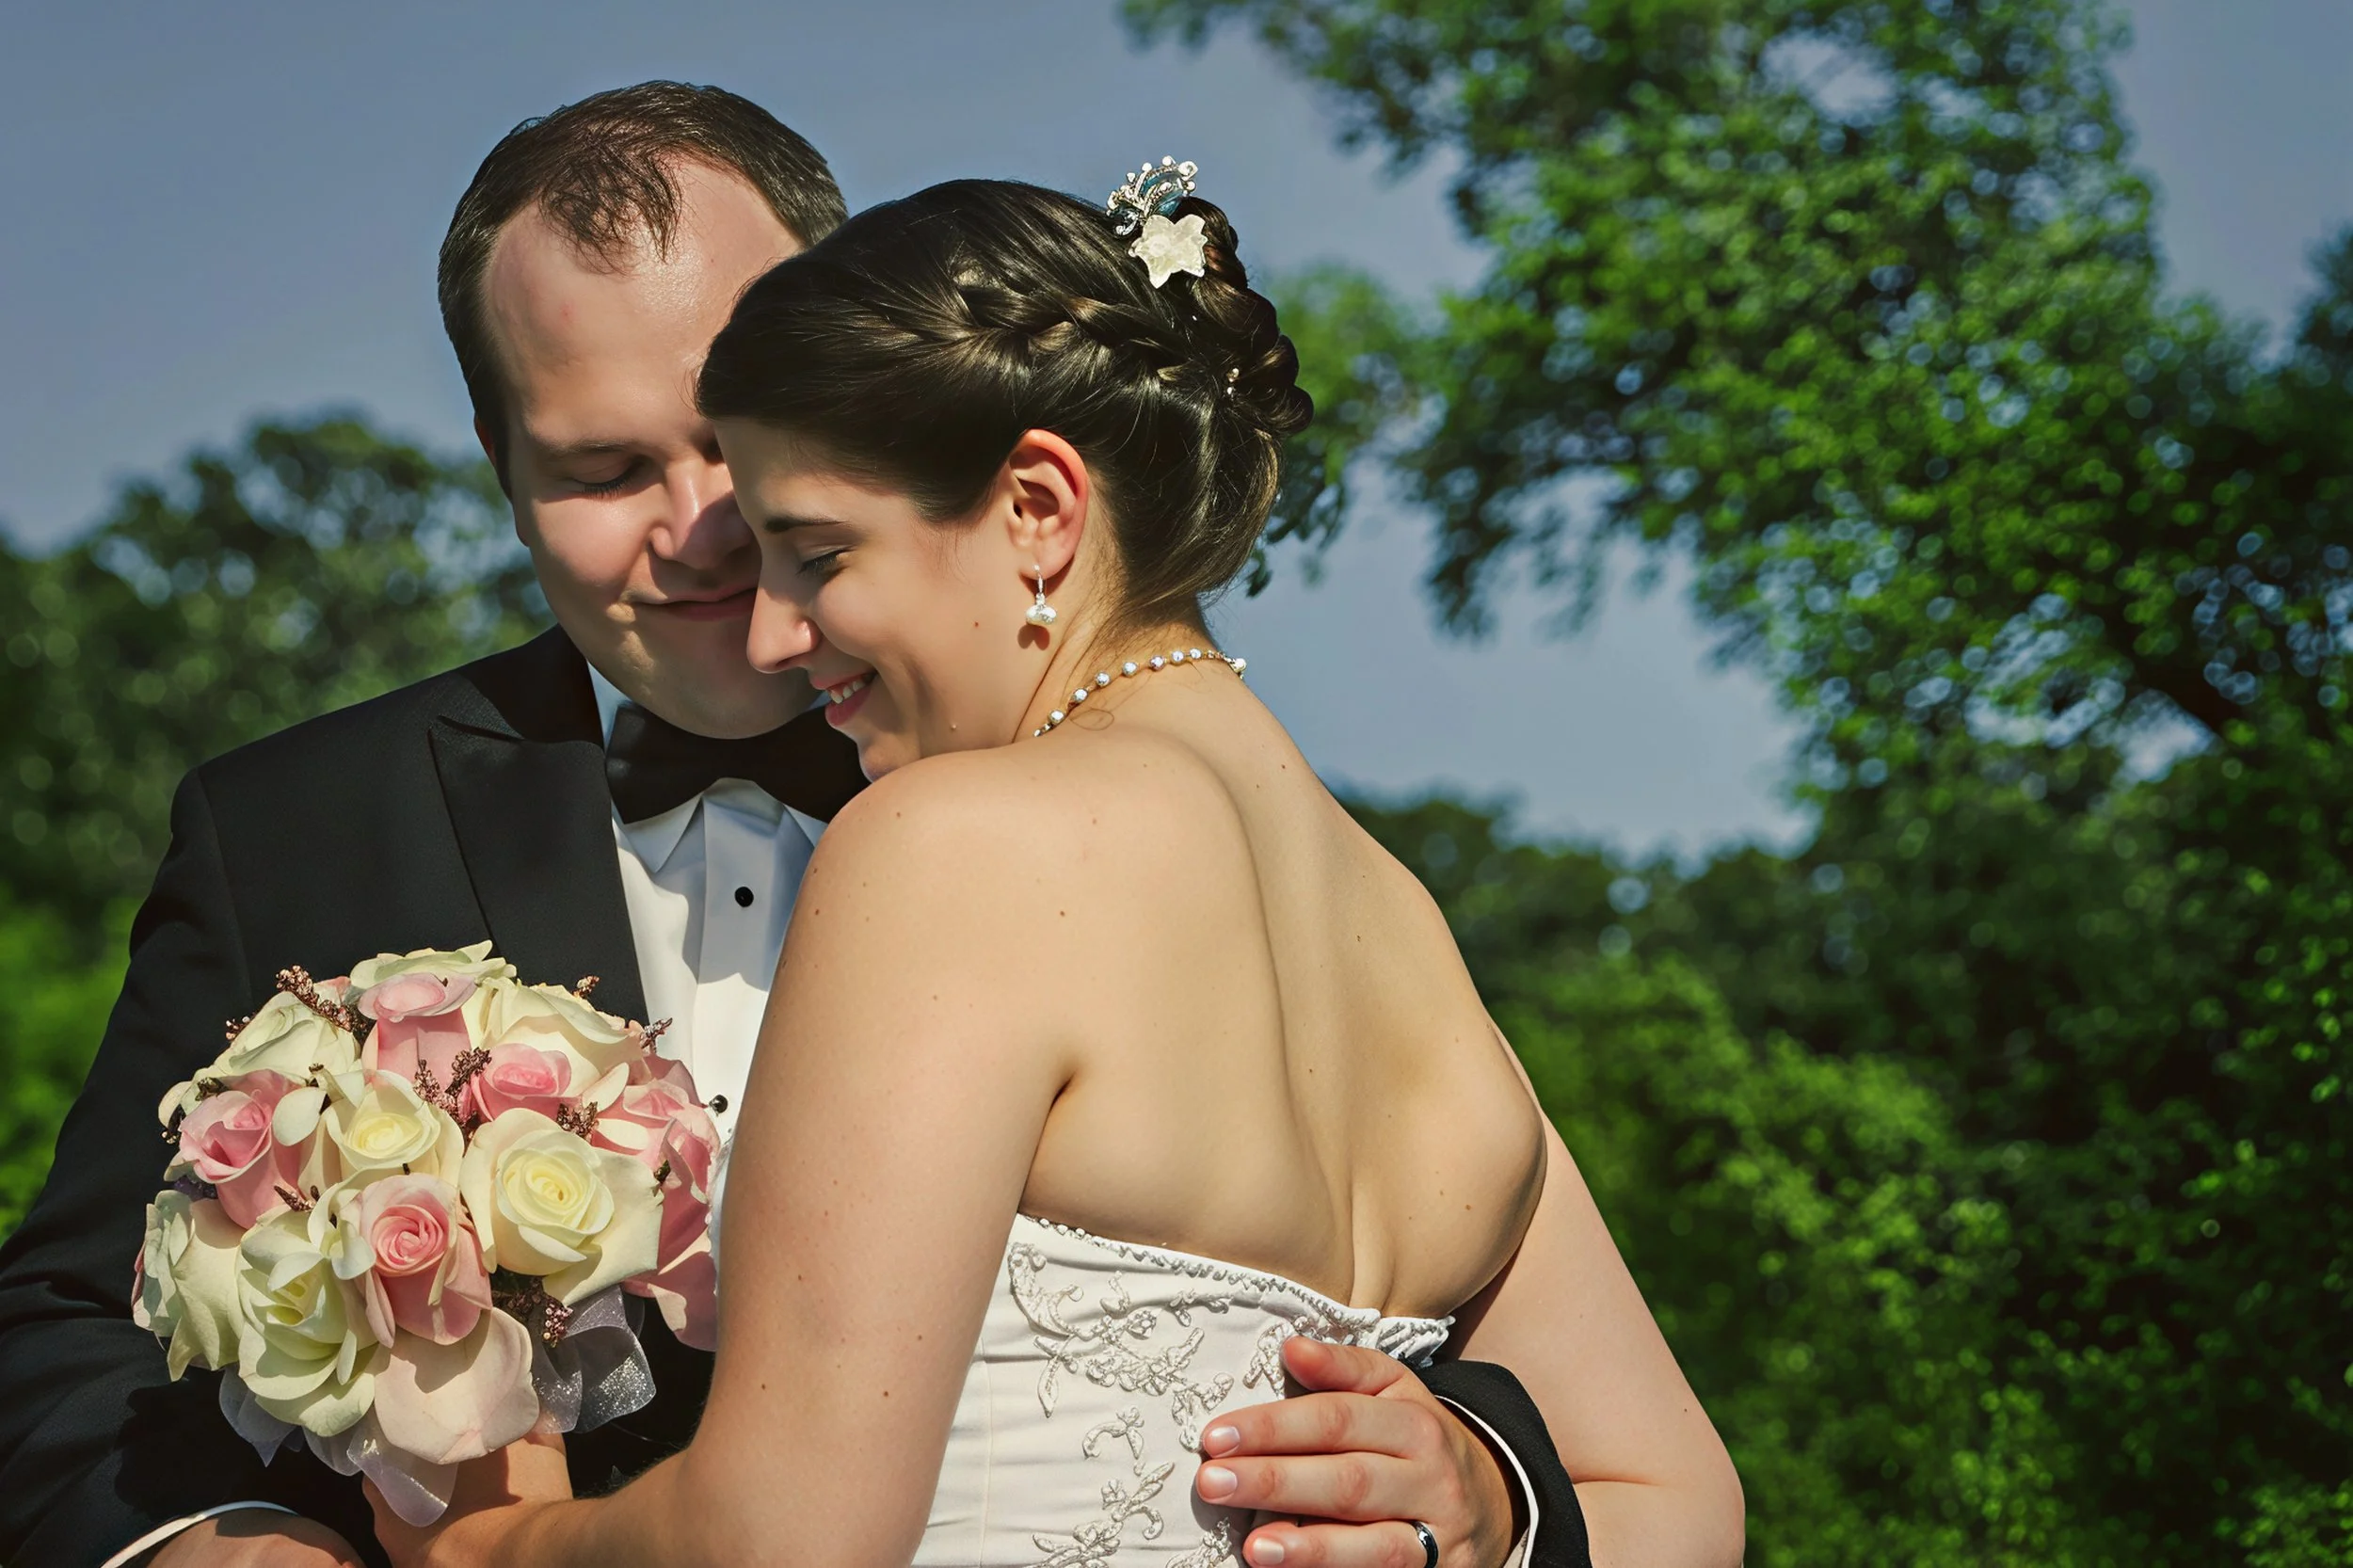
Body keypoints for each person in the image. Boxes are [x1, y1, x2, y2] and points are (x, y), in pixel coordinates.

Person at [0, 87, 1625, 1568]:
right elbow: (62, 1337)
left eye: (742, 442)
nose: (713, 534)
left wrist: (1487, 1489)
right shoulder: (295, 822)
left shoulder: (1135, 837)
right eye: (603, 467)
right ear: (498, 467)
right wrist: (226, 1552)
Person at [376, 172, 1743, 1568]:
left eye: (820, 554)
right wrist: (1492, 1518)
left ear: (1037, 507)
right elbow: (1675, 1505)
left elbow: (782, 1540)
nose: (779, 636)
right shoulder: (1401, 917)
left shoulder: (948, 846)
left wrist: (497, 1546)